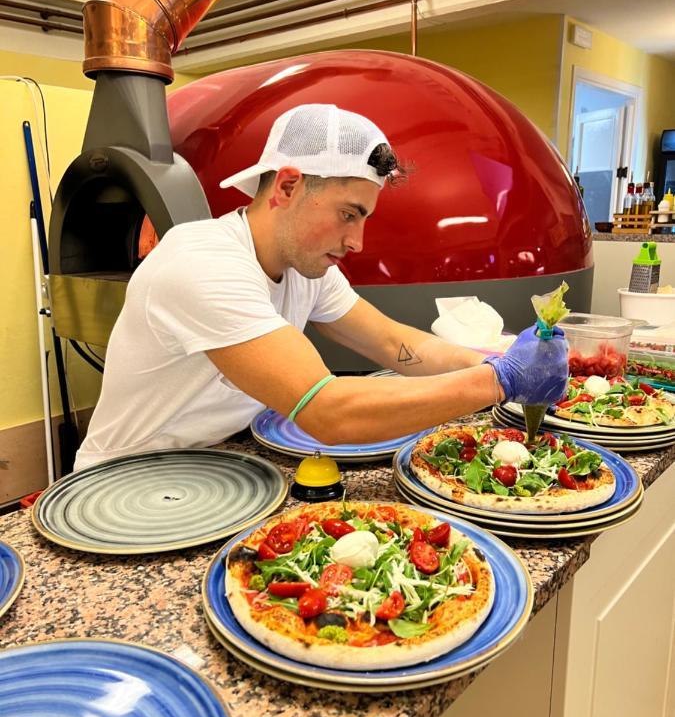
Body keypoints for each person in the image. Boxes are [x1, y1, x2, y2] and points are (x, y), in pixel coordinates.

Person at [74, 103, 568, 471]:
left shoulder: (308, 267)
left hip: (221, 465)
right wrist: (498, 383)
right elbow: (328, 412)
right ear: (287, 188)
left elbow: (398, 345)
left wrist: (499, 359)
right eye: (348, 215)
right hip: (122, 483)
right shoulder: (201, 261)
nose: (356, 241)